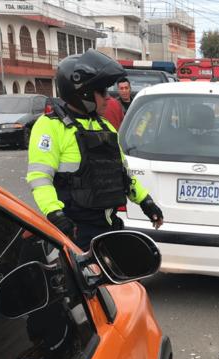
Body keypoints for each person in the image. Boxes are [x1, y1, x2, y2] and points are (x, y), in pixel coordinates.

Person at [26, 50, 164, 250]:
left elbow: (122, 174)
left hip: (109, 227)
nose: (109, 97)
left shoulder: (105, 127)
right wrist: (55, 214)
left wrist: (146, 202)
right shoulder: (50, 126)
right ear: (84, 93)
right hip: (75, 231)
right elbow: (39, 178)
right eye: (102, 92)